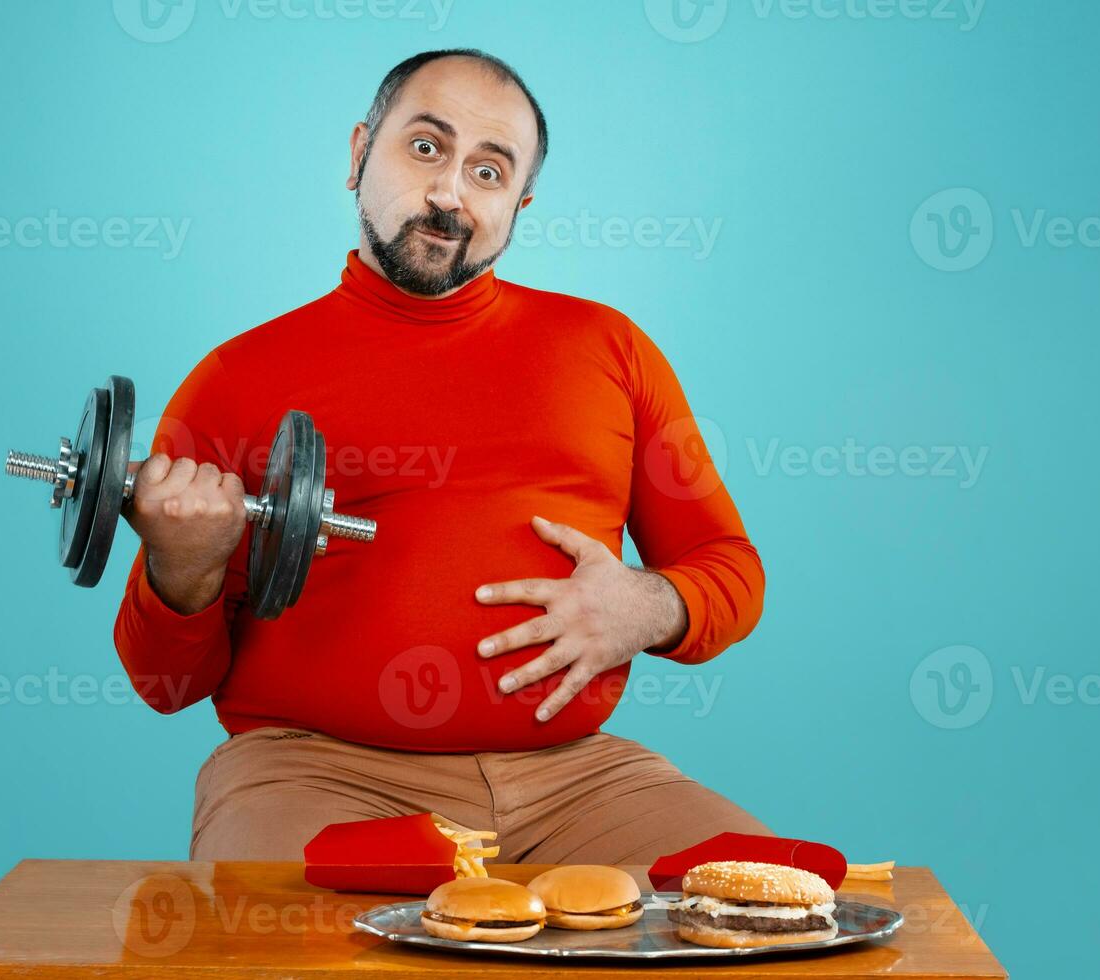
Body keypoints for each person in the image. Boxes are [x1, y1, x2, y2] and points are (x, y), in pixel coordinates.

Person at [113, 48, 772, 863]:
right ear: (359, 154)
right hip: (315, 775)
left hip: (576, 784)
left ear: (520, 203)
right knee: (274, 940)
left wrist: (650, 606)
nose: (450, 193)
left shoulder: (610, 348)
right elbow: (164, 687)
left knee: (761, 909)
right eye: (425, 148)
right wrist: (183, 571)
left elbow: (730, 568)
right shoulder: (233, 379)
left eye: (489, 172)